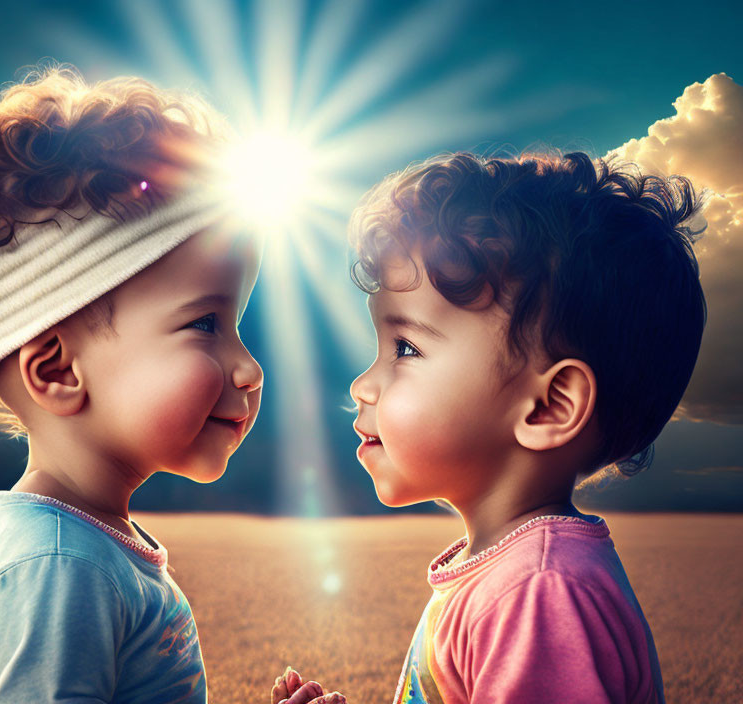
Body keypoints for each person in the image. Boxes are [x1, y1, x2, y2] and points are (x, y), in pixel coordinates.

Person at [0, 64, 276, 704]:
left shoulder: (88, 544)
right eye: (205, 323)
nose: (250, 368)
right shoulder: (59, 567)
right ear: (58, 372)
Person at [276, 151, 705, 704]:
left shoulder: (538, 594)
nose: (363, 385)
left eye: (405, 348)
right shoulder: (516, 574)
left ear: (549, 407)